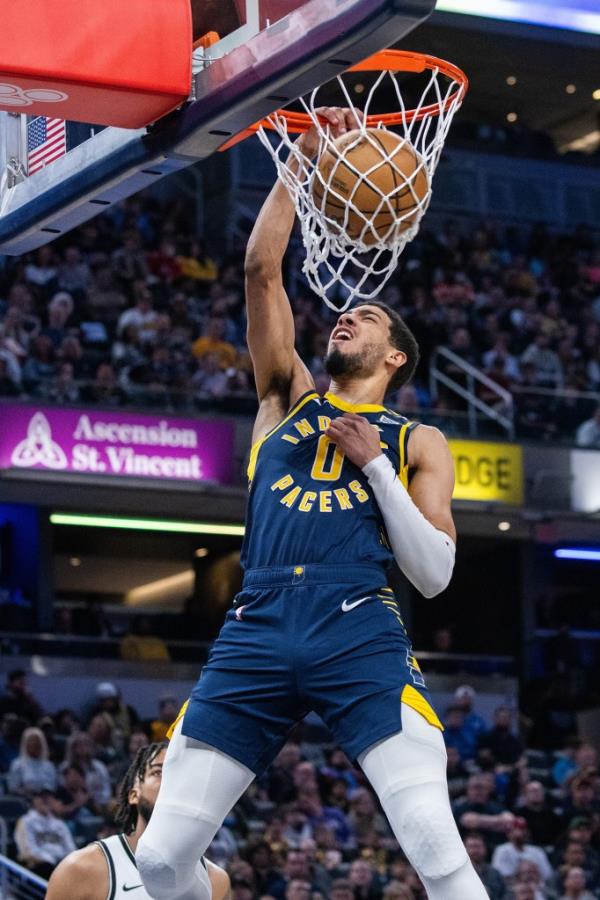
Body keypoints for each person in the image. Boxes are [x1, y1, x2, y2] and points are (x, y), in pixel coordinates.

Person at [137, 107, 487, 900]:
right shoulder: (285, 398)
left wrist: (376, 470)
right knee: (159, 863)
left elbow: (432, 574)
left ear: (394, 354)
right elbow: (263, 268)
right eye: (343, 312)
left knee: (435, 848)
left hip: (357, 623)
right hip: (256, 623)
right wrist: (301, 162)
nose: (346, 315)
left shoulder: (417, 438)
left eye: (366, 316)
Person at [46, 742, 230, 899]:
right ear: (134, 795)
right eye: (158, 772)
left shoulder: (217, 881)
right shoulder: (81, 869)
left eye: (181, 776)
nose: (172, 782)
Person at [15, 788, 76, 878]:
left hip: (61, 865)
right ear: (34, 800)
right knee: (47, 867)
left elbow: (70, 848)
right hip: (39, 866)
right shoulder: (26, 821)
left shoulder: (59, 824)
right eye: (41, 797)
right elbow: (27, 850)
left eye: (48, 797)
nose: (45, 800)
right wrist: (50, 859)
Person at [7, 726, 58, 797]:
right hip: (25, 800)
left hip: (46, 800)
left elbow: (52, 787)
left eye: (37, 741)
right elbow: (13, 788)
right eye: (32, 741)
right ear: (25, 744)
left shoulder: (49, 765)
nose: (35, 744)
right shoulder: (17, 764)